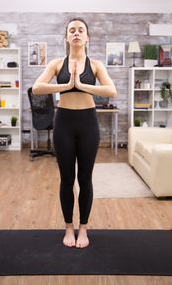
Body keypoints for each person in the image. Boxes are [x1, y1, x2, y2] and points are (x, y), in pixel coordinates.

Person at [32, 18, 117, 248]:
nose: (77, 33)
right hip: (64, 124)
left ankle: (84, 228)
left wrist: (81, 84)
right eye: (72, 30)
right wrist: (66, 85)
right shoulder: (57, 64)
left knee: (85, 179)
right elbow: (37, 87)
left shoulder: (96, 64)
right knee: (67, 179)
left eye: (81, 30)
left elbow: (112, 91)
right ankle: (69, 227)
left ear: (87, 37)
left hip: (88, 123)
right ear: (66, 38)